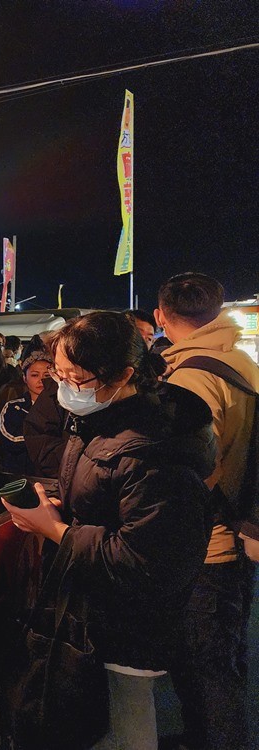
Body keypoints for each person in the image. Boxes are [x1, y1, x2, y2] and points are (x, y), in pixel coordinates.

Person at [2, 311, 214, 750]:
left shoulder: (156, 449)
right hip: (89, 615)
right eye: (57, 375)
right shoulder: (102, 418)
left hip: (126, 630)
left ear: (124, 375)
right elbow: (104, 495)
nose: (64, 389)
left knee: (122, 729)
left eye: (75, 378)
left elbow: (147, 562)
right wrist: (61, 504)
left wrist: (56, 531)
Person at [155, 272, 259, 750]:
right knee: (227, 656)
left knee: (205, 665)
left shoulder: (191, 378)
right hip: (242, 530)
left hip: (209, 544)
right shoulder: (243, 361)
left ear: (160, 316)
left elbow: (196, 470)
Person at [0, 352, 53, 475]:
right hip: (19, 474)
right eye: (34, 375)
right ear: (24, 378)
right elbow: (12, 439)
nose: (41, 380)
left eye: (47, 375)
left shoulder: (64, 407)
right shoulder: (14, 407)